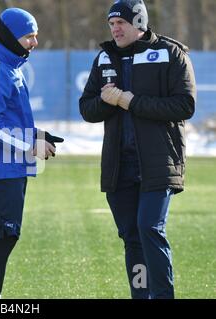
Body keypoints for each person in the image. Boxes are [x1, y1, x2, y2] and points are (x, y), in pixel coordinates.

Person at [79, 0, 196, 299]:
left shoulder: (171, 54)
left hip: (159, 163)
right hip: (120, 166)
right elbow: (86, 108)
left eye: (121, 23)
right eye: (111, 24)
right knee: (131, 237)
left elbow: (184, 105)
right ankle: (140, 295)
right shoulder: (104, 57)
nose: (114, 29)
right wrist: (106, 101)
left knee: (149, 229)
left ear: (139, 23)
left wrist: (130, 101)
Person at [0, 8, 63, 299]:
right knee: (3, 237)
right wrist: (28, 144)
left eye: (35, 36)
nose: (34, 42)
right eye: (28, 37)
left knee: (3, 237)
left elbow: (6, 119)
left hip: (8, 166)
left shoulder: (10, 66)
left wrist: (36, 136)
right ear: (10, 37)